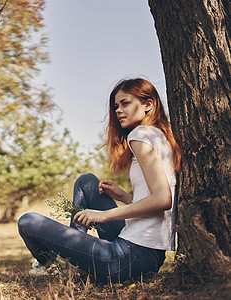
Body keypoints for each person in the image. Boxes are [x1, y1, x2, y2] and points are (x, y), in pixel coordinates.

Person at [18, 78, 181, 283]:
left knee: (28, 222)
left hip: (131, 257)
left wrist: (104, 216)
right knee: (87, 182)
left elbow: (163, 200)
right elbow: (157, 201)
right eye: (115, 106)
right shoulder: (159, 135)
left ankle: (58, 264)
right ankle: (71, 262)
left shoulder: (139, 135)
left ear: (148, 105)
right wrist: (125, 196)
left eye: (125, 103)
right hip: (147, 255)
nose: (118, 111)